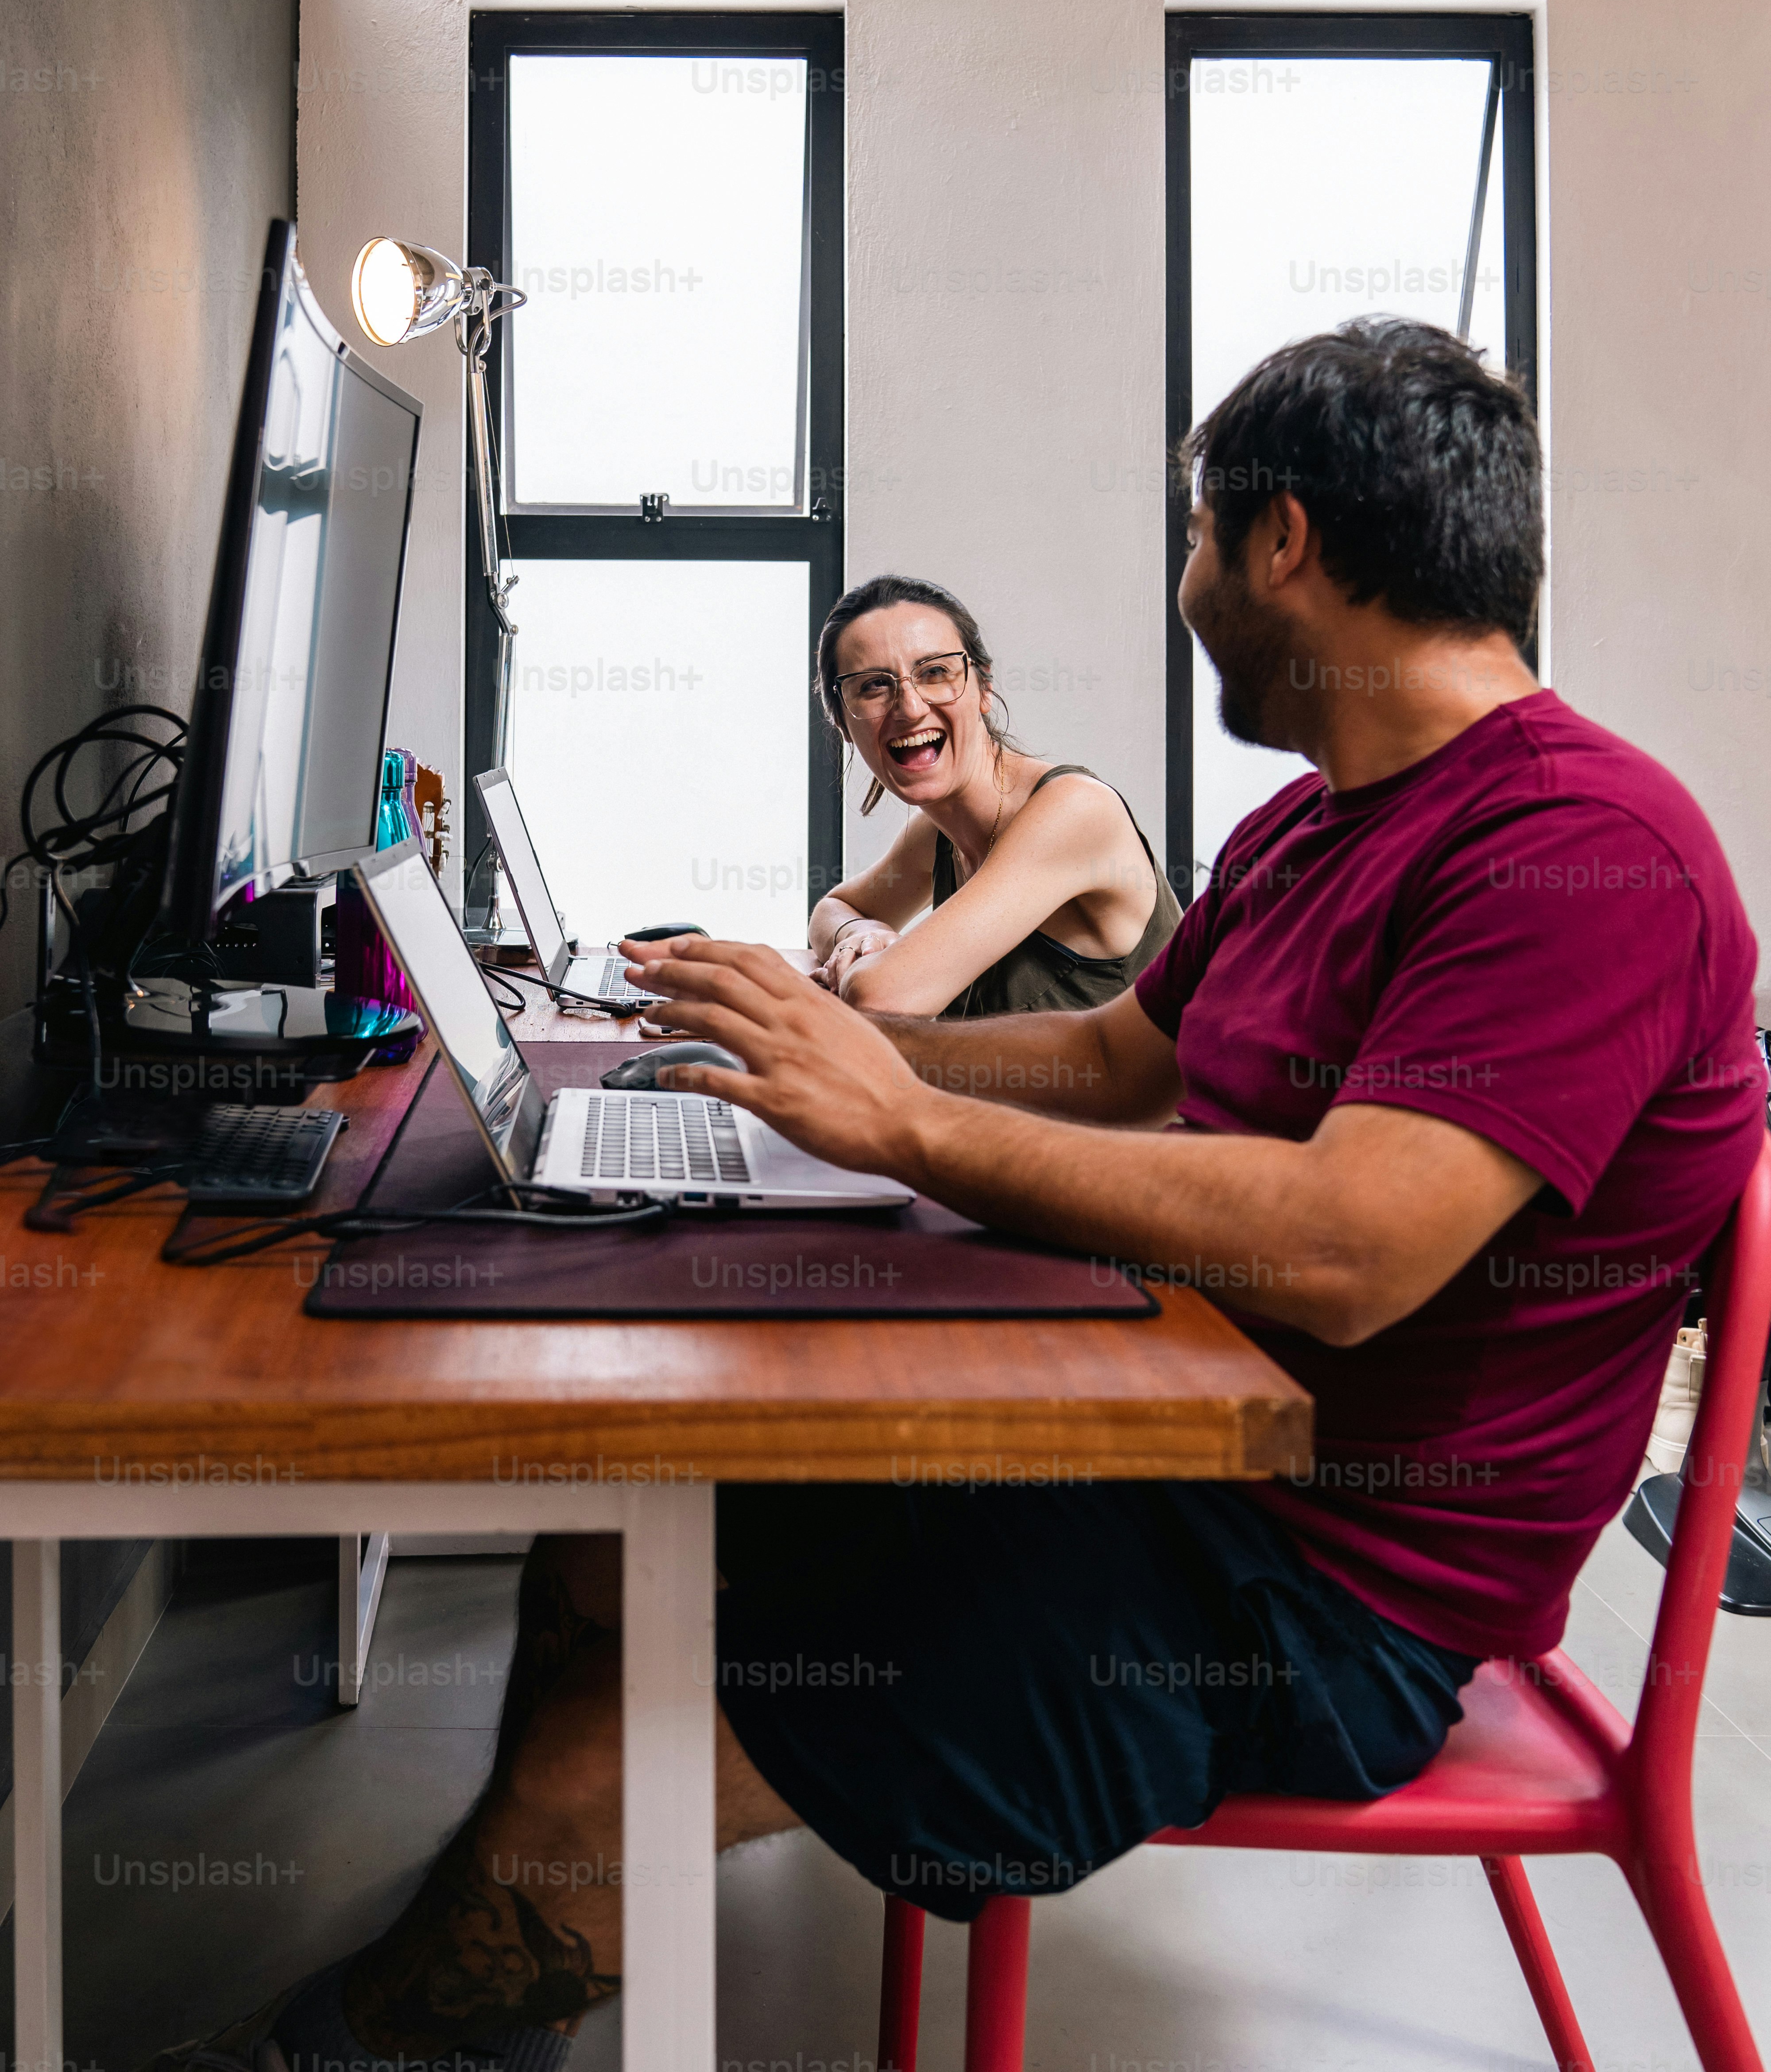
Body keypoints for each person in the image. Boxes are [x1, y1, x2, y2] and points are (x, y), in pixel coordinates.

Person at [159, 319, 1763, 2072]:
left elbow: (1352, 1249)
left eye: (1194, 537)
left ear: (1278, 538)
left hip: (1321, 1599)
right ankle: (540, 1970)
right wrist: (822, 1058)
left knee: (588, 1770)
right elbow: (1108, 1065)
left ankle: (382, 2014)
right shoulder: (1311, 828)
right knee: (613, 1546)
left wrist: (904, 1125)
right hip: (1170, 1460)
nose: (1187, 580)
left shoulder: (1578, 847)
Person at [806, 572, 1179, 1016]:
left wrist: (863, 969)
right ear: (843, 722)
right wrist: (860, 934)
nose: (909, 707)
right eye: (873, 685)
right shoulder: (939, 835)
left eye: (935, 672)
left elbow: (882, 995)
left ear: (983, 687)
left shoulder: (1076, 811)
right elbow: (835, 907)